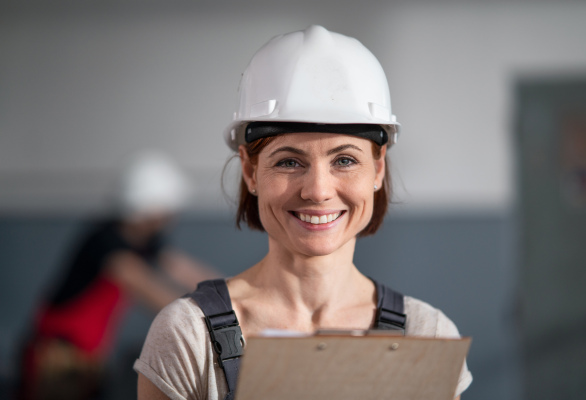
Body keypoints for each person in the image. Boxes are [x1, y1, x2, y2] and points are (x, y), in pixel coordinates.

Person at [135, 25, 473, 400]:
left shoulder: (426, 335)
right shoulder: (188, 336)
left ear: (377, 169)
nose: (317, 190)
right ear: (250, 171)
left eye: (344, 160)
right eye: (289, 162)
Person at [18, 150, 220, 400]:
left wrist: (236, 295)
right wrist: (210, 319)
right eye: (167, 211)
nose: (171, 218)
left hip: (89, 357)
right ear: (150, 209)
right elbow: (145, 286)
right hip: (57, 359)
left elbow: (185, 269)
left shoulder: (143, 240)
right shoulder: (107, 242)